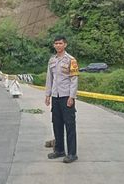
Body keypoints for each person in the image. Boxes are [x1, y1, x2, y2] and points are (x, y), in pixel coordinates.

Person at [44, 35, 79, 163]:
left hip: (66, 97)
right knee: (57, 124)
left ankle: (72, 153)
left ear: (65, 45)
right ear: (54, 45)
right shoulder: (52, 60)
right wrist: (48, 95)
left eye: (60, 43)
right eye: (56, 43)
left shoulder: (71, 60)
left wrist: (72, 97)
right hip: (56, 96)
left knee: (70, 125)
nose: (58, 45)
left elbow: (74, 79)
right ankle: (59, 150)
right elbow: (49, 79)